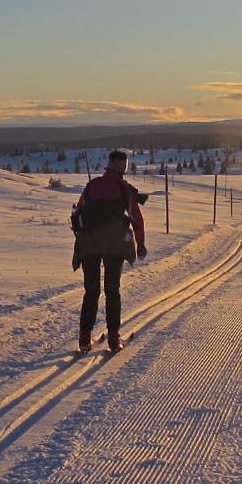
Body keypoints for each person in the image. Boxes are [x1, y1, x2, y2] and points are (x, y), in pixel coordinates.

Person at [70, 149, 148, 352]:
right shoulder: (124, 188)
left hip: (88, 244)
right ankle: (113, 339)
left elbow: (78, 212)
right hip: (114, 244)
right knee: (112, 290)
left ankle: (84, 339)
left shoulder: (92, 185)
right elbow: (136, 219)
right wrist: (140, 244)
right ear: (123, 166)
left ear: (109, 164)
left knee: (91, 290)